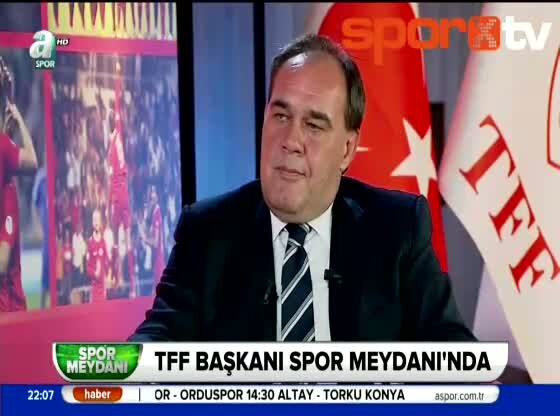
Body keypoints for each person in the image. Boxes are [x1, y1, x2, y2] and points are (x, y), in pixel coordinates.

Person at [129, 34, 476, 342]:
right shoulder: (207, 231)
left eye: (314, 125)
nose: (291, 140)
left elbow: (454, 355)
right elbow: (158, 336)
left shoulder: (397, 229)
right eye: (281, 116)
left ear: (347, 150)